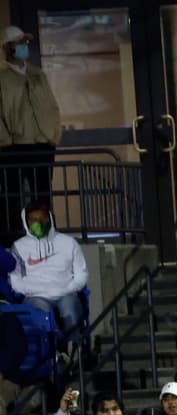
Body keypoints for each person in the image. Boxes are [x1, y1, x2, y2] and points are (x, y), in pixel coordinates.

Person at [8, 201, 88, 346]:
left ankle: (75, 349)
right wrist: (34, 290)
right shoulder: (18, 247)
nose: (38, 222)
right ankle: (58, 348)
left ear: (50, 218)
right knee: (43, 313)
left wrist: (67, 289)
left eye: (42, 218)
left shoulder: (68, 243)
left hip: (66, 293)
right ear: (26, 222)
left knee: (69, 308)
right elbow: (15, 280)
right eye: (33, 219)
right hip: (35, 296)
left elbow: (81, 275)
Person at [0, 27, 61, 201]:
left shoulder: (36, 73)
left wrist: (52, 135)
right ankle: (15, 229)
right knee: (12, 196)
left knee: (42, 196)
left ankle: (42, 228)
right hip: (12, 147)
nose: (24, 45)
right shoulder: (2, 77)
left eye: (25, 42)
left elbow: (51, 106)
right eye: (19, 42)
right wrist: (6, 142)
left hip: (42, 144)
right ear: (7, 47)